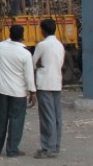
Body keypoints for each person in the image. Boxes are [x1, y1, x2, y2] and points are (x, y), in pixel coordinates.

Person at [0, 25, 36, 157]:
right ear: (22, 36)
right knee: (16, 120)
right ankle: (12, 149)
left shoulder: (1, 46)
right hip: (18, 92)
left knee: (0, 119)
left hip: (2, 90)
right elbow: (29, 75)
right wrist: (32, 92)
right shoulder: (25, 54)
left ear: (9, 34)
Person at [32, 19, 65, 159]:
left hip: (44, 83)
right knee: (57, 117)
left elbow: (32, 63)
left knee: (47, 118)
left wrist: (39, 65)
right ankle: (55, 146)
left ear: (43, 30)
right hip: (57, 82)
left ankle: (47, 148)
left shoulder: (42, 45)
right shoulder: (60, 45)